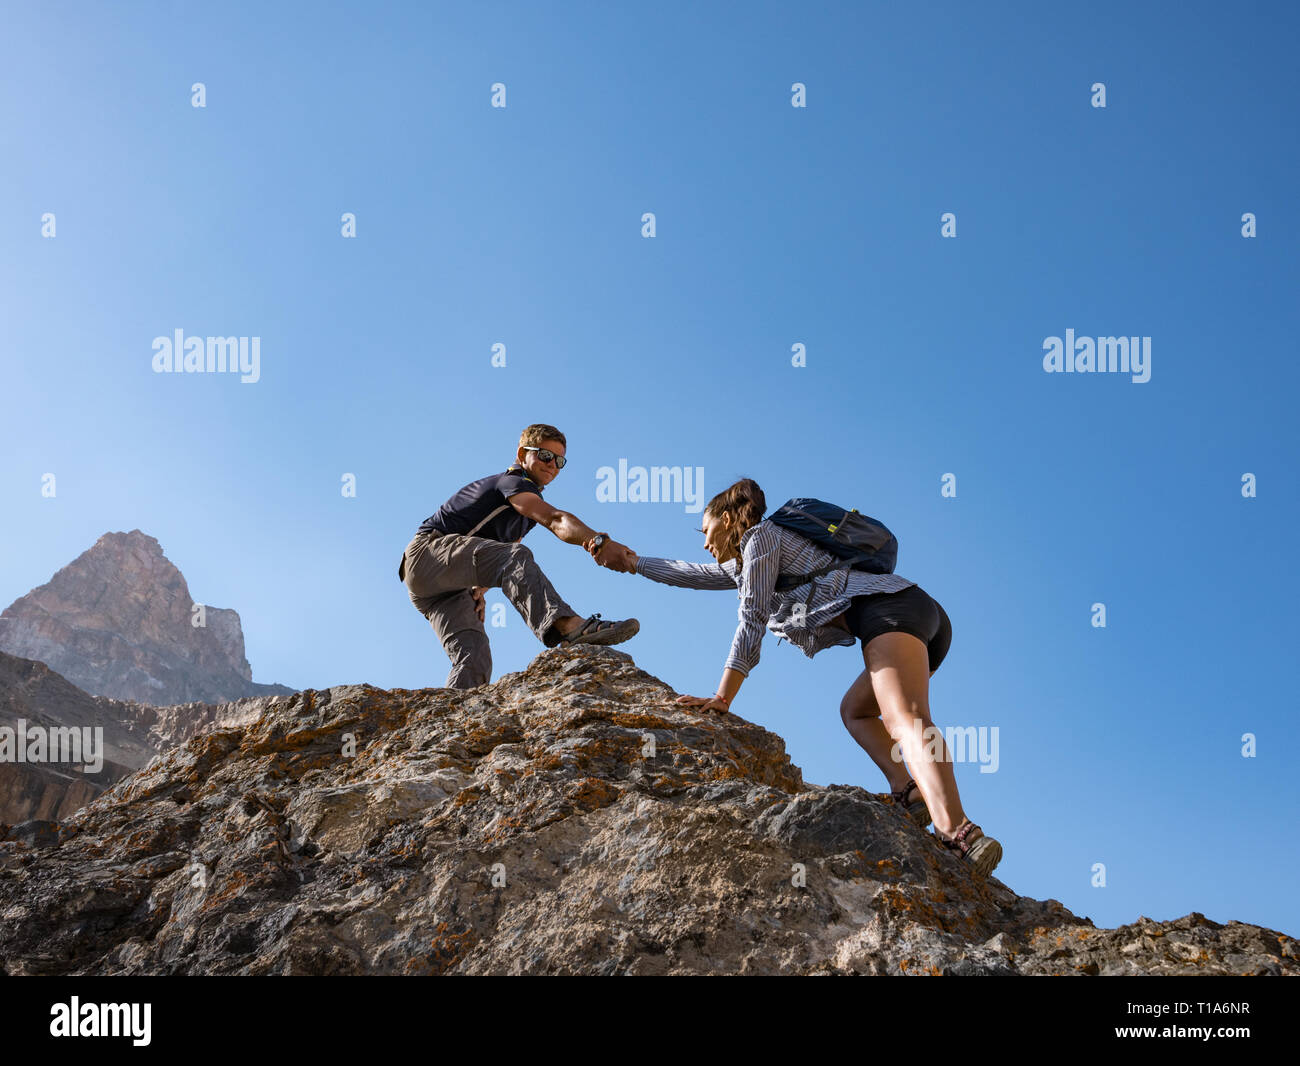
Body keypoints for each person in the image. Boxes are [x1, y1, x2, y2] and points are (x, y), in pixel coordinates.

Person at [584, 478, 1002, 877]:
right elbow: (696, 574)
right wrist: (634, 562)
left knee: (905, 718)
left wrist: (722, 696)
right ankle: (910, 792)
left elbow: (751, 618)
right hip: (912, 614)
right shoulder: (751, 559)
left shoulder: (761, 538)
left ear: (729, 520)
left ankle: (959, 832)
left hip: (890, 609)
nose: (705, 542)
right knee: (856, 711)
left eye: (707, 529)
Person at [400, 424, 639, 688]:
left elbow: (495, 558)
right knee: (515, 556)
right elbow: (555, 519)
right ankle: (567, 626)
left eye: (560, 461)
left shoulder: (523, 517)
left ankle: (453, 718)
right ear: (523, 453)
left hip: (439, 590)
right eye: (545, 456)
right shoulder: (512, 483)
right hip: (426, 555)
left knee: (475, 656)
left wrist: (479, 589)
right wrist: (598, 542)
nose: (552, 465)